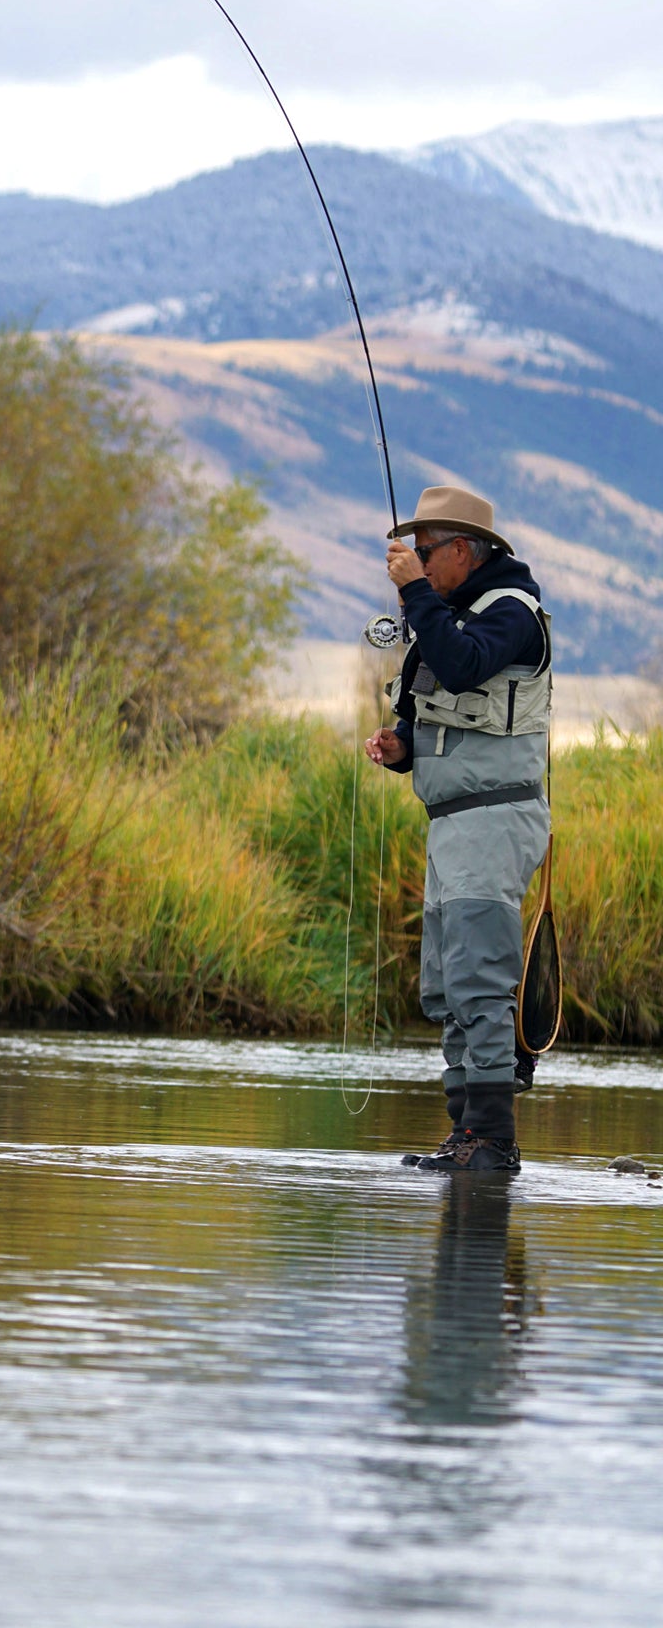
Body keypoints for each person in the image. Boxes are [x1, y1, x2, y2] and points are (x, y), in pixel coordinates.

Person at [365, 485, 552, 1173]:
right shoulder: (456, 613)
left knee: (479, 980)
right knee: (446, 987)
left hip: (495, 820)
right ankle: (463, 1133)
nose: (413, 562)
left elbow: (466, 663)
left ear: (462, 551)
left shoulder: (512, 614)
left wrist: (416, 596)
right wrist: (402, 747)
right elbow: (443, 705)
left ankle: (492, 1139)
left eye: (424, 553)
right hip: (452, 825)